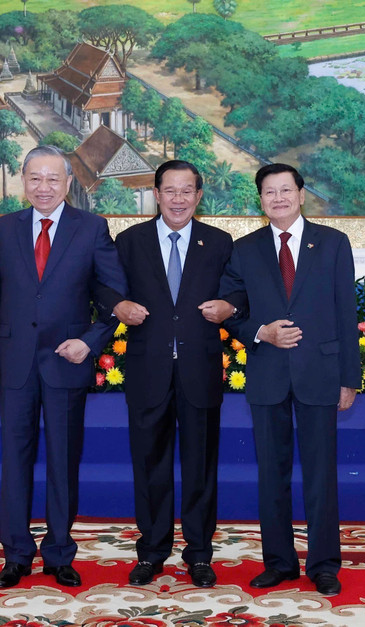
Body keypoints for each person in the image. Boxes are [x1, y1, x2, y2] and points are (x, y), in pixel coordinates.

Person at [0, 145, 127, 589]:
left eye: (53, 180)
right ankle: (16, 554)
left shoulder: (92, 228)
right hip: (14, 364)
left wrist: (90, 341)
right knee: (15, 462)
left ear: (68, 184)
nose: (44, 188)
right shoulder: (4, 229)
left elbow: (114, 297)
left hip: (67, 362)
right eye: (35, 179)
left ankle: (60, 552)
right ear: (24, 181)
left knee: (63, 462)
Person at [97, 160, 242, 588]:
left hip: (199, 368)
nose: (178, 199)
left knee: (200, 467)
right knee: (150, 466)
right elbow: (103, 285)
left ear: (199, 196)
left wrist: (230, 307)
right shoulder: (130, 241)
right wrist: (118, 306)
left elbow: (240, 289)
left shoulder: (219, 242)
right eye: (170, 191)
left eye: (187, 191)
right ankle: (153, 552)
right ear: (156, 194)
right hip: (148, 369)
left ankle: (199, 554)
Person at [220, 163, 360, 596]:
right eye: (268, 192)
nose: (277, 198)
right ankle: (278, 562)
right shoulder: (245, 250)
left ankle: (323, 564)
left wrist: (348, 379)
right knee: (272, 475)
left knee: (321, 474)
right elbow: (232, 309)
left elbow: (345, 312)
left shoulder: (333, 244)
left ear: (301, 195)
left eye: (285, 190)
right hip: (268, 375)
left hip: (320, 373)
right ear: (259, 200)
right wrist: (261, 332)